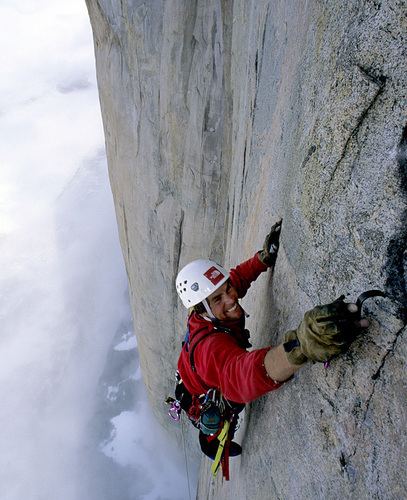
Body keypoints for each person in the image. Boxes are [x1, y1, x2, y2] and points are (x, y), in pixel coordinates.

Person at [175, 220, 368, 466]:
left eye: (228, 289)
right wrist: (300, 346)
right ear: (202, 309)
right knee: (226, 411)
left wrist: (263, 258)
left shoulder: (211, 307)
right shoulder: (210, 350)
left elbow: (236, 279)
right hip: (200, 387)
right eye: (218, 298)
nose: (231, 297)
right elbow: (240, 376)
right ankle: (210, 443)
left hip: (193, 368)